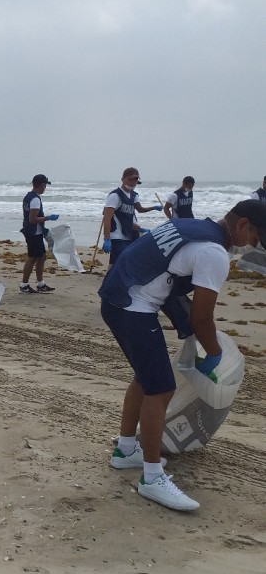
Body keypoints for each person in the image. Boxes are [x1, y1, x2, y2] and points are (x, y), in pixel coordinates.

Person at [98, 199, 266, 511]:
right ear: (242, 225)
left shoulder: (193, 227)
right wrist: (213, 353)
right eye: (256, 237)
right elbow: (202, 317)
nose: (253, 244)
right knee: (161, 388)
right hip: (132, 305)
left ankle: (125, 451)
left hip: (119, 295)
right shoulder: (214, 252)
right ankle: (152, 478)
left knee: (146, 378)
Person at [101, 167, 163, 265]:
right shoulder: (115, 196)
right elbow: (107, 218)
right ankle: (111, 279)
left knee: (131, 261)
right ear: (123, 179)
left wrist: (154, 208)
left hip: (131, 234)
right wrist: (107, 239)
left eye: (135, 180)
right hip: (117, 236)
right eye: (130, 179)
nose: (133, 182)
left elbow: (139, 210)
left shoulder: (134, 195)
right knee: (117, 262)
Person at [19, 174, 59, 294]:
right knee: (32, 258)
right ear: (41, 185)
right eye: (45, 185)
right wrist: (48, 218)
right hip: (33, 232)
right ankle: (24, 284)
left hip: (33, 231)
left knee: (41, 257)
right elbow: (33, 219)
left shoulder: (28, 197)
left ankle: (40, 284)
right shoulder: (35, 199)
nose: (45, 188)